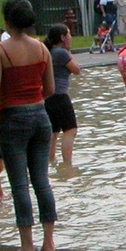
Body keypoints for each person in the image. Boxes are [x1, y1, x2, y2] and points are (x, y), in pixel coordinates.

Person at [0, 0, 58, 251]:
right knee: (41, 181)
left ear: (7, 21)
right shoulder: (42, 49)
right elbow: (51, 90)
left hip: (13, 119)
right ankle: (49, 244)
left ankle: (27, 248)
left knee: (20, 184)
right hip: (41, 117)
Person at [43, 24, 81, 167]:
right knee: (70, 130)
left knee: (53, 133)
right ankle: (67, 164)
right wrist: (68, 51)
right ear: (63, 38)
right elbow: (76, 69)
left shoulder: (49, 51)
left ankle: (50, 162)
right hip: (60, 95)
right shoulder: (61, 53)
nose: (71, 37)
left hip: (48, 97)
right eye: (69, 34)